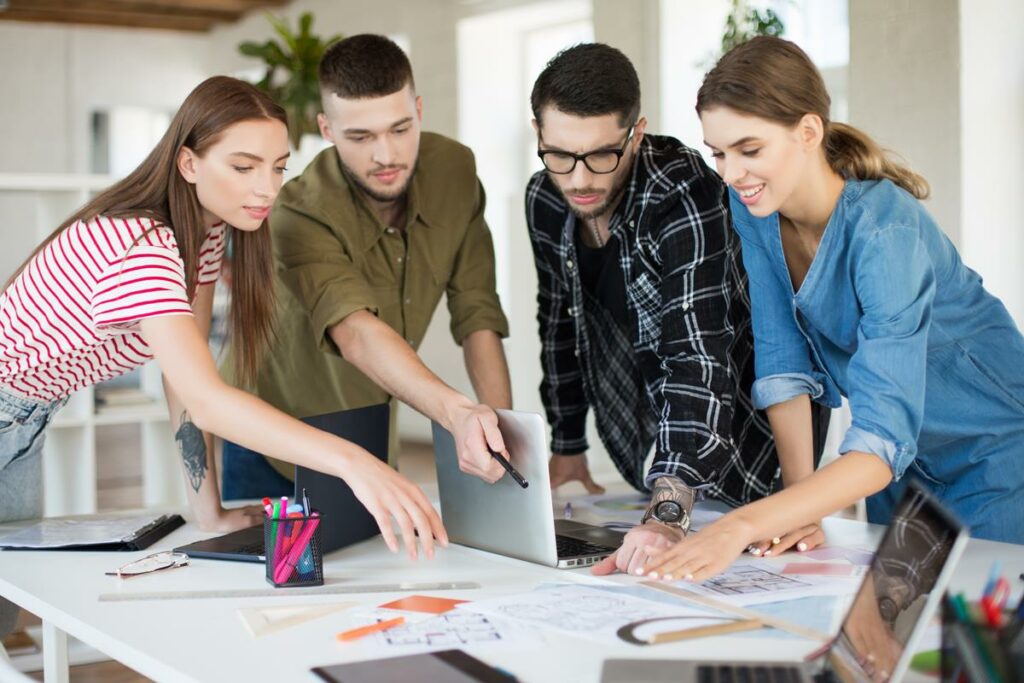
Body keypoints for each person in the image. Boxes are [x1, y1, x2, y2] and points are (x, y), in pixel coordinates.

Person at [0, 77, 447, 637]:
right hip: (8, 412)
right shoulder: (144, 244)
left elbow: (186, 382)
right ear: (188, 163)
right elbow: (210, 402)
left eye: (278, 167)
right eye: (243, 167)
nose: (266, 188)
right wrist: (354, 462)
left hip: (26, 418)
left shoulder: (205, 236)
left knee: (5, 603)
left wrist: (205, 510)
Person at [643, 36, 1024, 582]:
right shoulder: (753, 206)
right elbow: (781, 359)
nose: (730, 174)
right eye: (718, 154)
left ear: (808, 132)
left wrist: (742, 525)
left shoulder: (884, 231)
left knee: (984, 646)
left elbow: (881, 437)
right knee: (900, 648)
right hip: (899, 469)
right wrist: (799, 504)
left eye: (750, 150)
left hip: (997, 452)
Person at [524, 43, 828, 579]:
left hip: (743, 435)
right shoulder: (545, 201)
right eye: (558, 156)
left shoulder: (683, 194)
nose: (579, 179)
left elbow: (698, 355)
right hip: (647, 435)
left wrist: (668, 512)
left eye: (600, 156)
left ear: (635, 133)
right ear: (538, 134)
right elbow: (559, 322)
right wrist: (567, 442)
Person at [220, 34, 513, 498]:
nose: (386, 156)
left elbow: (478, 314)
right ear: (327, 129)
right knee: (267, 572)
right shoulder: (298, 211)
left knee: (373, 566)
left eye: (400, 129)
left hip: (369, 423)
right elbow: (354, 331)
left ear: (418, 110)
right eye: (360, 137)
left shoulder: (455, 173)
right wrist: (455, 411)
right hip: (274, 435)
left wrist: (502, 436)